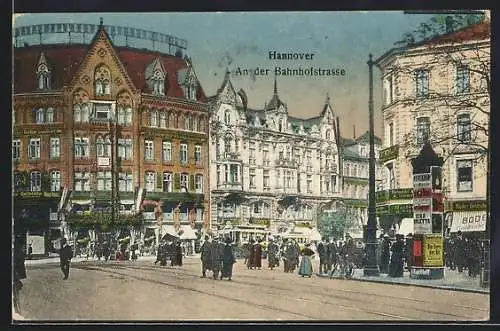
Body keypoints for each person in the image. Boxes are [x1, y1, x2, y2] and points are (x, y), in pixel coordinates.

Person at [13, 234, 27, 314]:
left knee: (15, 294)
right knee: (15, 295)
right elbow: (20, 261)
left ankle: (17, 310)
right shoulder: (19, 252)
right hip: (15, 275)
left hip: (16, 275)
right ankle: (17, 311)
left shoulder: (17, 251)